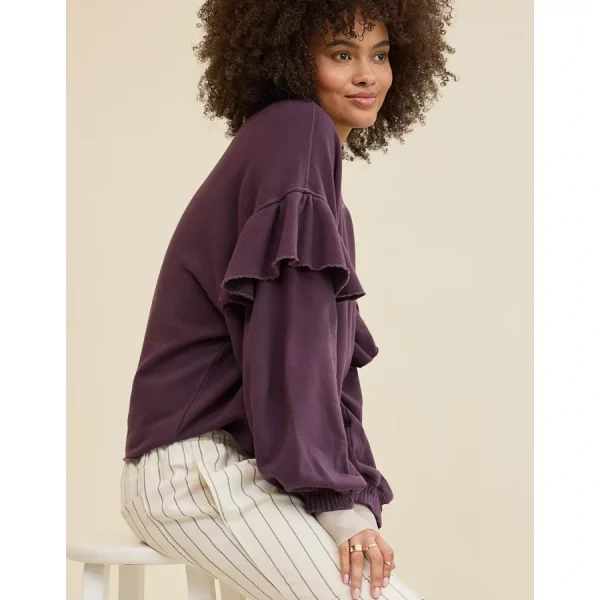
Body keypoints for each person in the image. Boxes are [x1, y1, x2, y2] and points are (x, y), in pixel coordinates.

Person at [120, 3, 455, 600]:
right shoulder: (296, 131)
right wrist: (337, 504)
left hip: (237, 470)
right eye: (341, 54)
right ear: (293, 62)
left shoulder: (309, 169)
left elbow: (325, 373)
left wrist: (354, 498)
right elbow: (288, 350)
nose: (367, 75)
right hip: (194, 474)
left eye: (380, 55)